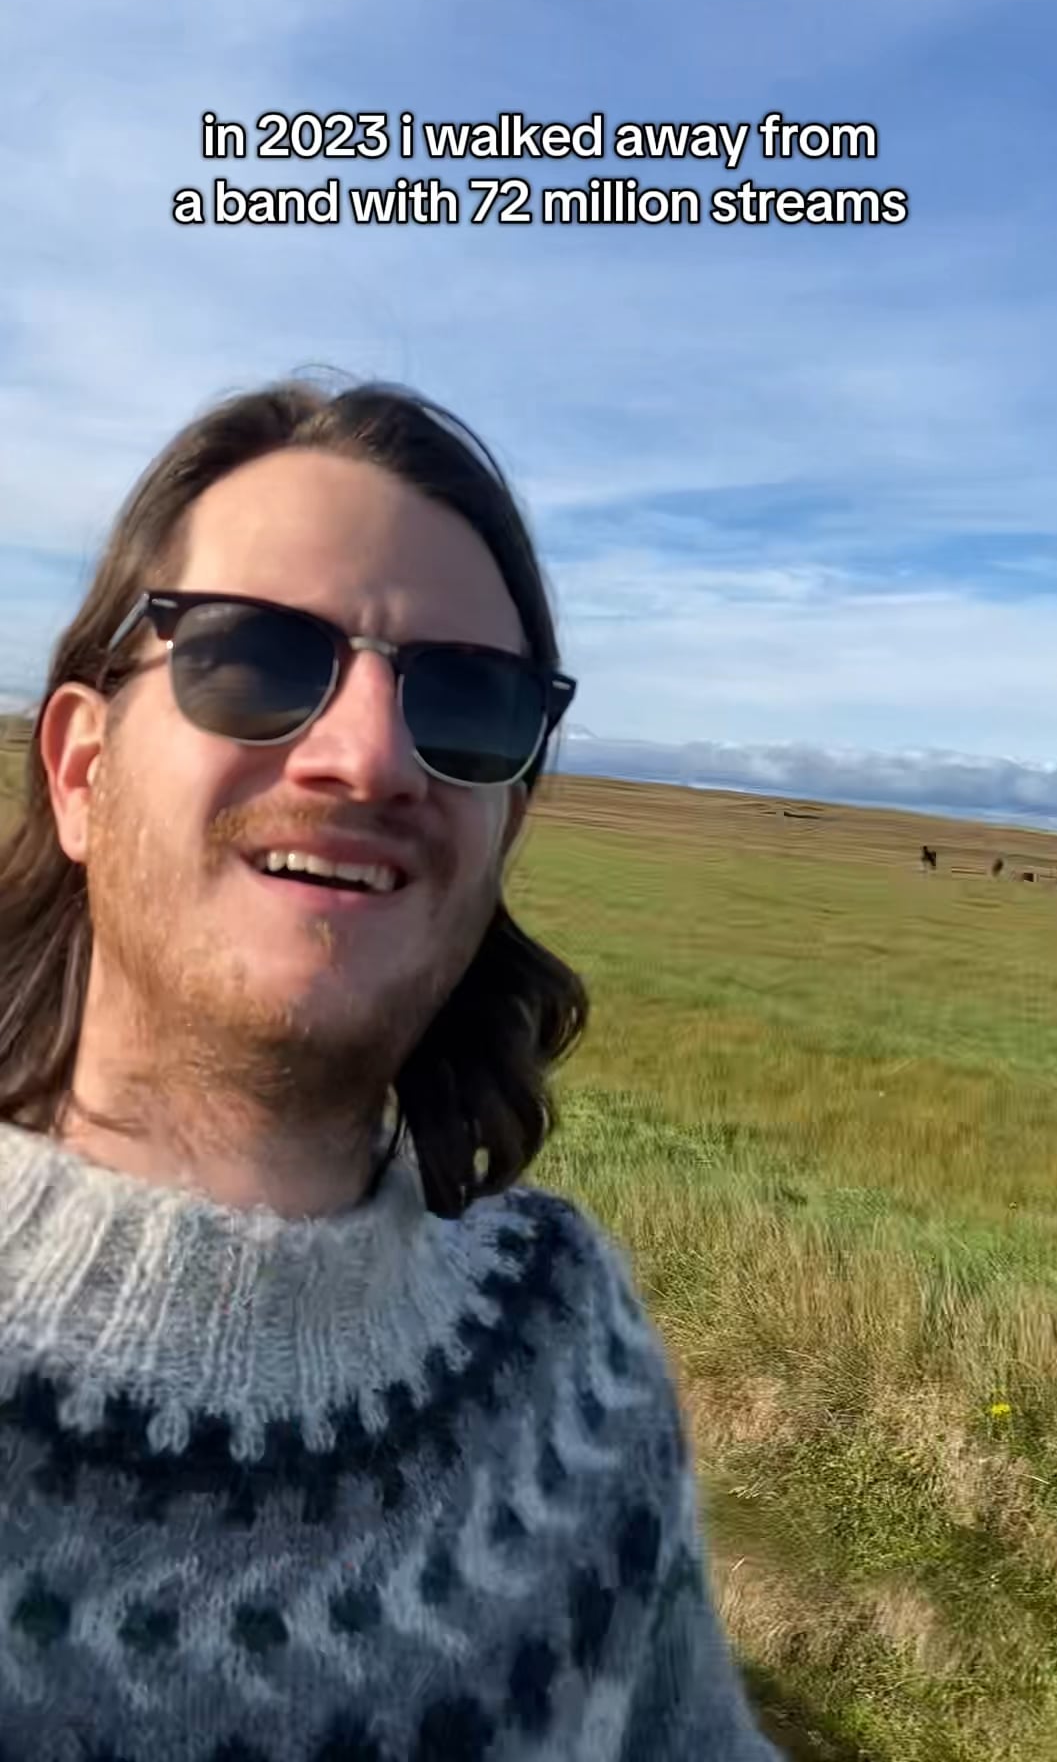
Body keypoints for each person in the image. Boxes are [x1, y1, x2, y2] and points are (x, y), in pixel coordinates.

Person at [0, 380, 781, 1761]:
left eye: (467, 701)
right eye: (253, 655)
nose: (368, 759)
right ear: (81, 772)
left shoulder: (571, 1353)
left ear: (504, 829)